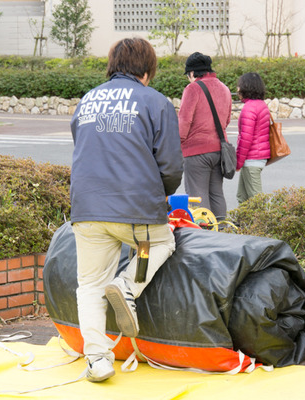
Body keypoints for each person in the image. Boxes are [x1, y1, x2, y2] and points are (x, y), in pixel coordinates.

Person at [69, 37, 183, 383]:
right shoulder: (156, 102)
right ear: (147, 70)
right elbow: (170, 166)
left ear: (112, 66)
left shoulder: (87, 100)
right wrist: (161, 195)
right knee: (156, 244)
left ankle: (97, 360)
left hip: (87, 207)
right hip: (136, 209)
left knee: (90, 285)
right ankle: (128, 285)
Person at [178, 52, 232, 220]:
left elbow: (184, 122)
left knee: (198, 197)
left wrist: (177, 143)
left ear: (192, 72)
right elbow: (226, 120)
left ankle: (204, 233)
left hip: (196, 152)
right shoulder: (224, 88)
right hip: (219, 150)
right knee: (216, 194)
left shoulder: (193, 88)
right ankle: (221, 229)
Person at [235, 72, 271, 204]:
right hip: (258, 157)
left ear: (246, 87)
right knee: (242, 197)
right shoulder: (261, 104)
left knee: (256, 201)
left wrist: (238, 162)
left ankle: (264, 219)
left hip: (251, 160)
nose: (237, 89)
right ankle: (243, 218)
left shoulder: (249, 108)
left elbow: (246, 139)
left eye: (239, 86)